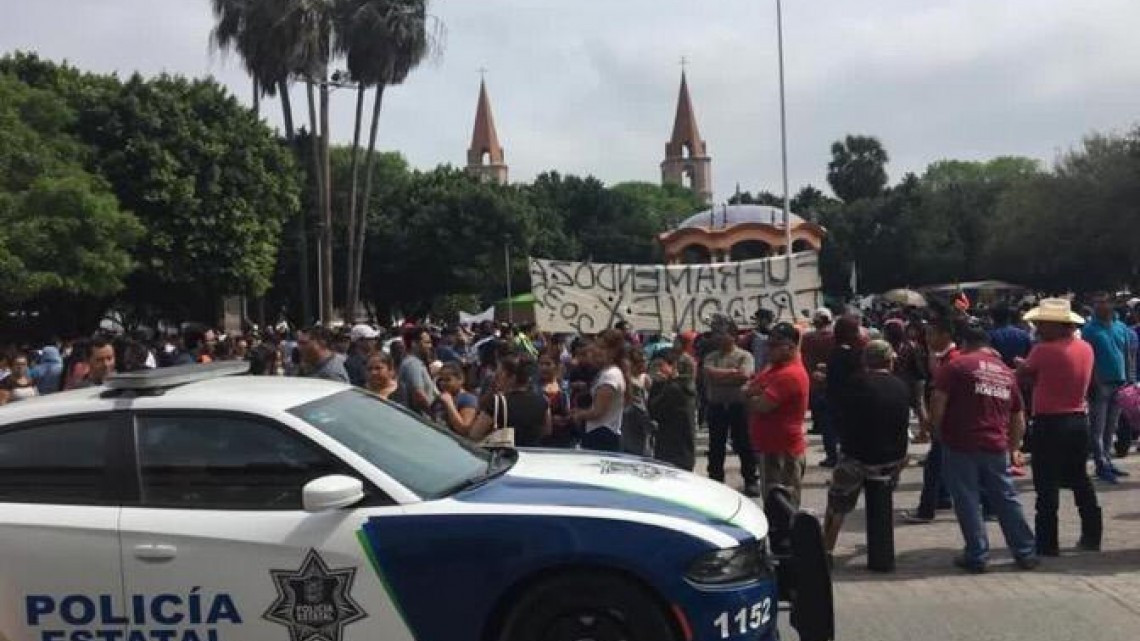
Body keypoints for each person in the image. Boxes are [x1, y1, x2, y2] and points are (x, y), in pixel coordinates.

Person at [933, 325, 1037, 573]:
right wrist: (1014, 447)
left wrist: (937, 432)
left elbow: (938, 401)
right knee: (1005, 497)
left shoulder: (956, 367)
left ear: (965, 344)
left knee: (967, 499)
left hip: (961, 442)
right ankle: (1025, 551)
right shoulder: (1005, 372)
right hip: (995, 444)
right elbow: (1018, 416)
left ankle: (977, 554)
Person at [1017, 298, 1102, 554]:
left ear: (1056, 325)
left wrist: (1021, 367)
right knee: (1080, 480)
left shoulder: (1043, 350)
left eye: (1042, 323)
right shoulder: (1085, 348)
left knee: (1046, 484)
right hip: (1078, 420)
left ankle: (1047, 543)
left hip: (1050, 422)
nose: (1038, 327)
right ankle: (1092, 535)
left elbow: (1024, 376)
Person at [822, 340, 912, 552]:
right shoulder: (901, 385)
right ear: (889, 361)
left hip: (857, 459)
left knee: (836, 505)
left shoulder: (856, 383)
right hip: (892, 462)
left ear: (865, 361)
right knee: (882, 495)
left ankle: (825, 550)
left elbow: (840, 416)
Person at [744, 323, 810, 504]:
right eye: (768, 344)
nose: (769, 349)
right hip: (771, 447)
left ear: (789, 347)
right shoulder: (774, 368)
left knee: (782, 506)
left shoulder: (789, 374)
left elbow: (761, 405)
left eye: (774, 345)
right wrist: (753, 394)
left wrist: (752, 397)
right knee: (772, 503)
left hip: (782, 451)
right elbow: (750, 389)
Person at [903, 317, 958, 524]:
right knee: (940, 463)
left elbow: (939, 395)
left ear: (945, 335)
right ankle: (942, 498)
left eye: (931, 334)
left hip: (946, 421)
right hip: (946, 421)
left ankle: (926, 510)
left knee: (934, 466)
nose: (927, 339)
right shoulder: (942, 357)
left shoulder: (951, 359)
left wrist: (931, 422)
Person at [1082, 292, 1134, 483]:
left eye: (1104, 302)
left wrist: (1129, 379)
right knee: (1098, 427)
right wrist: (1092, 381)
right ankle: (1100, 464)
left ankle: (1107, 460)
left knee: (1111, 427)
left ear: (1111, 305)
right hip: (1100, 384)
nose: (1100, 306)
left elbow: (1127, 354)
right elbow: (1087, 359)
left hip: (1120, 383)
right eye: (1097, 303)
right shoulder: (1089, 330)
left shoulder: (1122, 328)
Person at [703, 330, 760, 496]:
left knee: (744, 443)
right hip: (717, 405)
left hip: (738, 405)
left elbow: (744, 376)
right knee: (716, 445)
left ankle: (750, 480)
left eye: (724, 333)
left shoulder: (744, 356)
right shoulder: (711, 356)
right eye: (718, 334)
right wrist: (732, 373)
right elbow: (709, 374)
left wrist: (722, 375)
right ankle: (715, 478)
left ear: (734, 337)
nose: (720, 337)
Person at [471, 354, 551, 446]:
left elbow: (474, 434)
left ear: (510, 377)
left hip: (504, 456)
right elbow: (547, 431)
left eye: (499, 374)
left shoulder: (497, 403)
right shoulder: (543, 400)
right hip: (531, 455)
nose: (495, 378)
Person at [571, 329, 628, 452]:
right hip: (598, 433)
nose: (596, 351)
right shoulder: (604, 372)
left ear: (614, 352)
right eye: (597, 346)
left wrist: (578, 415)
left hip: (603, 434)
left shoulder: (610, 375)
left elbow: (598, 411)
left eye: (602, 348)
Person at [824, 314, 863, 469]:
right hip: (854, 401)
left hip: (837, 401)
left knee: (841, 438)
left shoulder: (837, 353)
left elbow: (835, 378)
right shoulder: (857, 352)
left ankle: (843, 469)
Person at [649, 349, 697, 471]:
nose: (657, 370)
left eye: (660, 365)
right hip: (670, 447)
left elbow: (654, 411)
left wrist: (658, 384)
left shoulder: (675, 388)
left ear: (673, 366)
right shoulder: (673, 385)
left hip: (676, 451)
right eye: (654, 366)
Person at [801, 308, 835, 445]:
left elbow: (805, 359)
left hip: (814, 380)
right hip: (833, 381)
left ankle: (831, 453)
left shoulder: (808, 338)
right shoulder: (835, 337)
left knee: (824, 419)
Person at [397, 328, 438, 415]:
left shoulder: (415, 362)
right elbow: (419, 395)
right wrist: (434, 417)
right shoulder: (413, 364)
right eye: (427, 342)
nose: (430, 346)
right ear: (414, 344)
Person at [622, 349, 655, 456]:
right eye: (642, 361)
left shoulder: (645, 378)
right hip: (630, 420)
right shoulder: (628, 379)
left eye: (645, 361)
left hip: (645, 419)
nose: (645, 364)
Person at [537, 353, 574, 448]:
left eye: (548, 364)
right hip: (539, 441)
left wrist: (565, 419)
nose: (544, 368)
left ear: (556, 366)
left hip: (562, 441)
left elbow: (572, 412)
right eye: (541, 364)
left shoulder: (565, 388)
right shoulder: (532, 388)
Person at [432, 362, 479, 436]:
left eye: (448, 380)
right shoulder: (440, 398)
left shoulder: (468, 399)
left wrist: (449, 404)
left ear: (460, 380)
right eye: (441, 380)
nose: (443, 383)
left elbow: (464, 429)